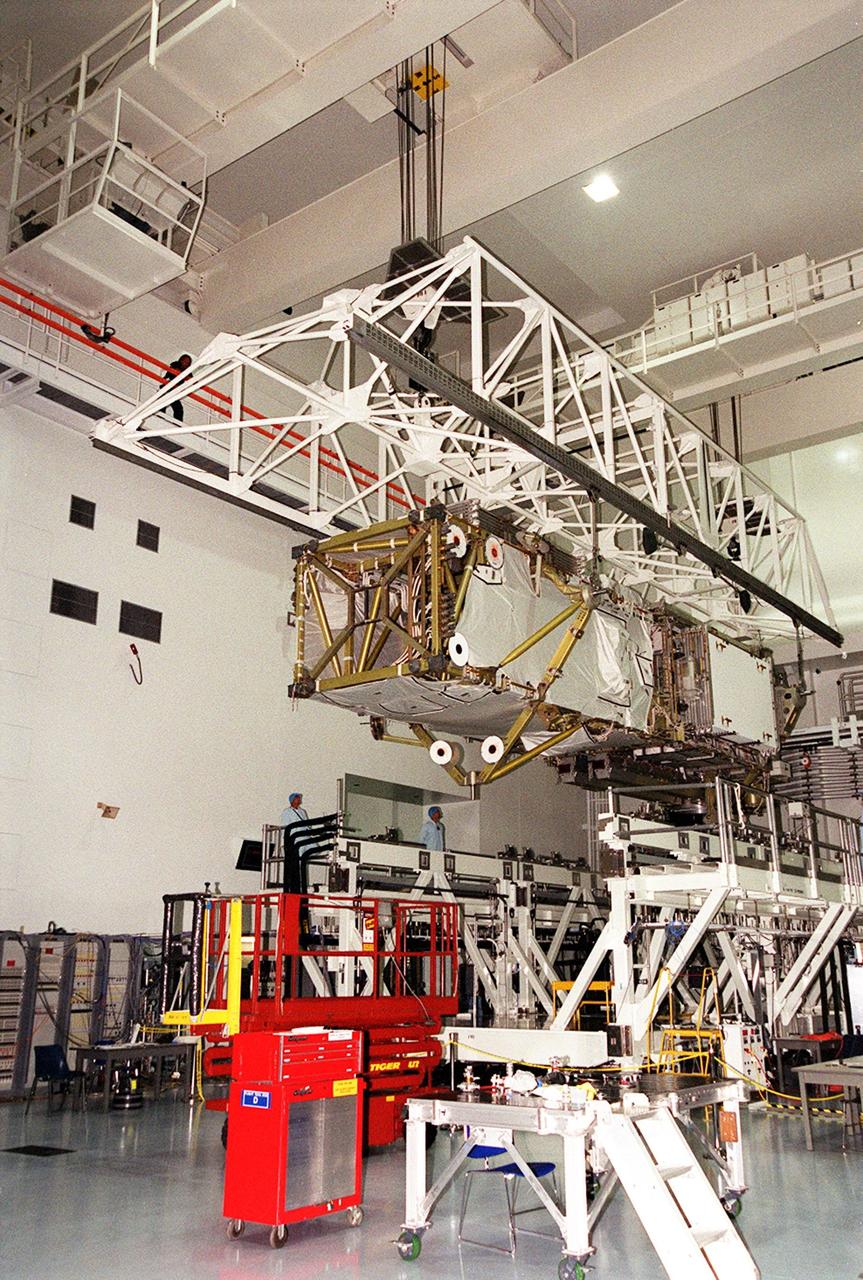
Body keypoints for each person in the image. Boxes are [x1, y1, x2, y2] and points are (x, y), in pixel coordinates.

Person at [160, 353, 193, 421]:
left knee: (178, 409)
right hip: (166, 389)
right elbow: (173, 371)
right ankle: (160, 419)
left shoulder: (187, 371)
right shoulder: (175, 364)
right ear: (181, 360)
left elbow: (192, 379)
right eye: (185, 361)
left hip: (174, 392)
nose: (186, 363)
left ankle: (177, 424)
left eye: (188, 363)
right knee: (161, 405)